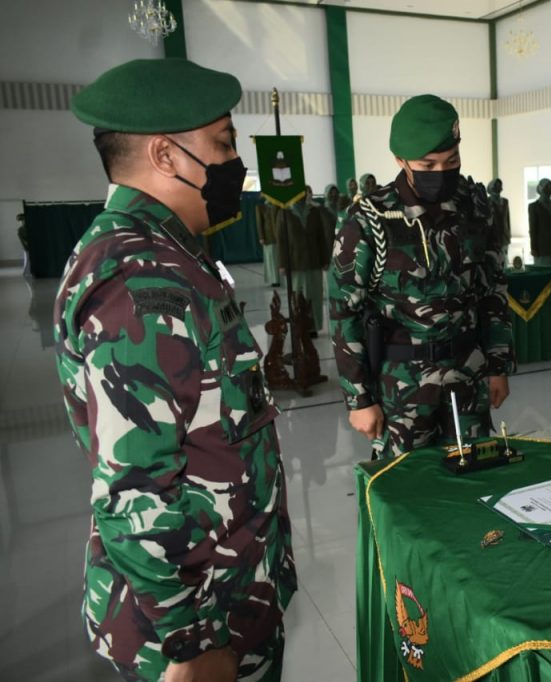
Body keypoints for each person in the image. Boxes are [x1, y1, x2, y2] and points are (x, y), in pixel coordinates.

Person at [55, 58, 296, 681]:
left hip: (230, 593)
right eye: (222, 143)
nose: (234, 162)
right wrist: (191, 644)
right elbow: (132, 492)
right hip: (199, 621)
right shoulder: (142, 279)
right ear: (165, 156)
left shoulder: (163, 252)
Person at [329, 94, 512, 458]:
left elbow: (493, 291)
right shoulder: (368, 219)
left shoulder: (476, 209)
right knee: (407, 489)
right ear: (400, 160)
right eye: (428, 164)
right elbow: (344, 312)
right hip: (402, 386)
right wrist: (358, 399)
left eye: (452, 160)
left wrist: (498, 365)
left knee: (474, 481)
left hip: (469, 377)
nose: (442, 172)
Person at [281, 185, 330, 334]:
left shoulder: (314, 212)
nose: (301, 196)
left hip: (314, 261)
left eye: (303, 193)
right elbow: (282, 240)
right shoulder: (285, 213)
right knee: (297, 297)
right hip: (295, 263)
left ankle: (313, 326)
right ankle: (300, 327)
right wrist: (283, 264)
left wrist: (325, 259)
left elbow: (321, 237)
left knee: (314, 296)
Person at [528, 178, 551, 267]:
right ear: (541, 189)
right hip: (542, 247)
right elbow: (533, 228)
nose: (550, 191)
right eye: (547, 188)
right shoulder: (534, 207)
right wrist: (533, 247)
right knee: (543, 271)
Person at [487, 178, 511, 265]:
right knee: (495, 260)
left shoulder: (505, 201)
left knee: (505, 260)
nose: (498, 188)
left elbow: (507, 219)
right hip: (493, 236)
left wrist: (509, 235)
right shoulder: (487, 201)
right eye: (495, 186)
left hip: (504, 236)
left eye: (499, 185)